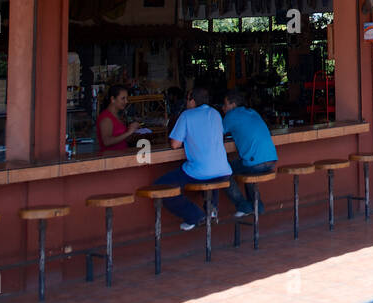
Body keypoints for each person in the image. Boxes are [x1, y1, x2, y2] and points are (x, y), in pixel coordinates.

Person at [156, 86, 253, 230]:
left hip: (201, 172)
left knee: (161, 186)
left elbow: (175, 144)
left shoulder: (186, 116)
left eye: (187, 99)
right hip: (224, 172)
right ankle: (211, 209)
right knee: (209, 174)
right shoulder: (215, 113)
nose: (186, 103)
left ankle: (194, 215)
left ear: (193, 101)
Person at [220, 90, 278, 213]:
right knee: (246, 168)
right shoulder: (252, 112)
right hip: (272, 159)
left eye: (225, 104)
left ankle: (243, 206)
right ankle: (258, 207)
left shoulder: (231, 115)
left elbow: (217, 134)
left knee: (222, 172)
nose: (223, 108)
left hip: (255, 163)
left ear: (233, 104)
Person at [96, 84, 139, 153]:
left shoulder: (118, 116)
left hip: (120, 156)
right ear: (113, 99)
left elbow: (121, 138)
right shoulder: (106, 118)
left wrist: (132, 132)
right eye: (123, 98)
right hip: (110, 158)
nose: (126, 101)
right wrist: (129, 132)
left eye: (126, 98)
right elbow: (106, 141)